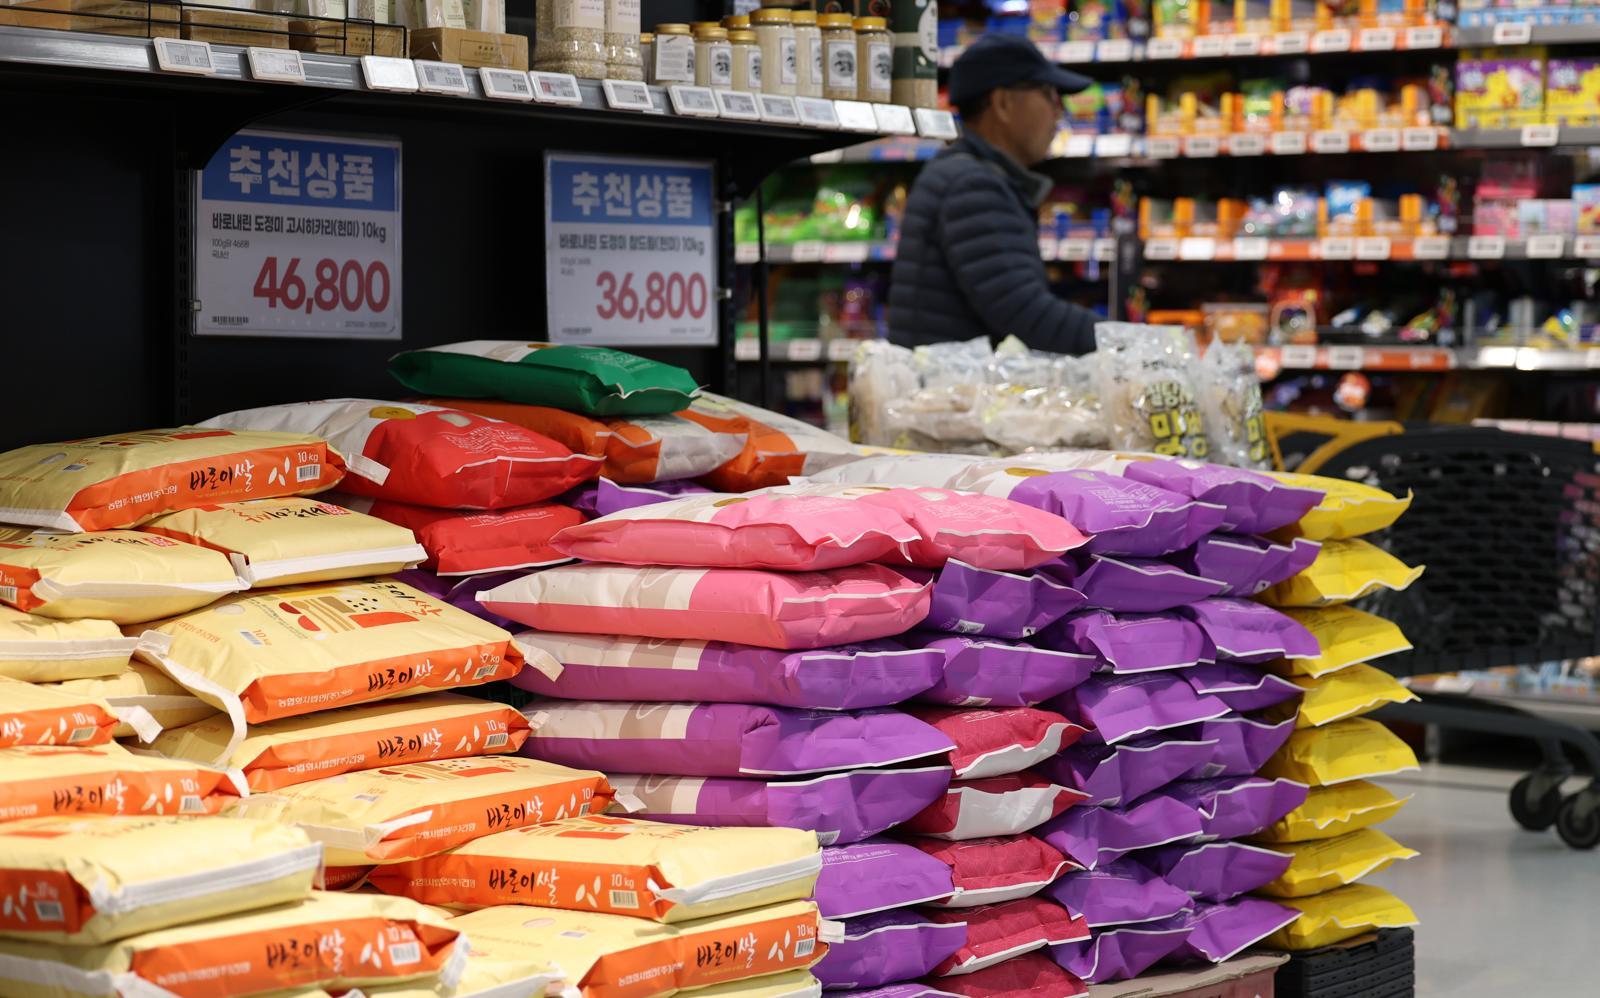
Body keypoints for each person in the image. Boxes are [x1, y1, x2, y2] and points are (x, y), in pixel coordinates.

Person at [888, 34, 1100, 355]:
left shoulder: (970, 173)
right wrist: (1128, 341)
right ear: (1002, 103)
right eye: (1049, 94)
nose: (1059, 111)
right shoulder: (972, 184)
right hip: (953, 382)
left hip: (951, 376)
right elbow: (1026, 314)